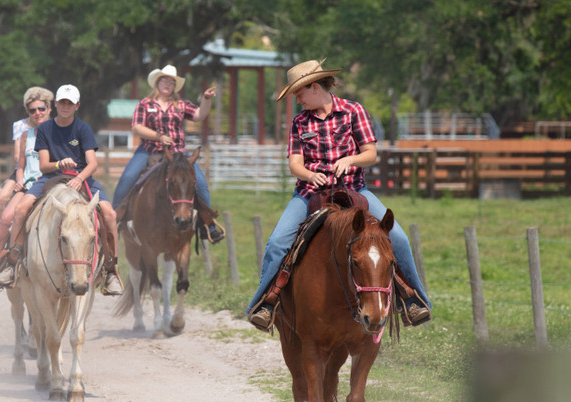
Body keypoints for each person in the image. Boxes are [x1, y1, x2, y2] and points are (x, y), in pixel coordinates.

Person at [246, 59, 432, 331]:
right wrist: (309, 175)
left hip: (355, 189)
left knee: (399, 239)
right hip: (309, 193)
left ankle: (412, 300)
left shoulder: (353, 111)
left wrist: (351, 160)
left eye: (298, 93)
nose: (297, 100)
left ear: (313, 87)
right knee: (276, 243)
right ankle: (265, 302)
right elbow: (294, 164)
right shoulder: (300, 122)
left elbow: (370, 153)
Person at [0, 84, 123, 295]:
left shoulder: (83, 129)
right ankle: (13, 261)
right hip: (52, 176)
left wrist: (80, 178)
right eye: (62, 102)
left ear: (77, 106)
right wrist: (59, 165)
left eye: (69, 103)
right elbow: (44, 165)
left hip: (82, 177)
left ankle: (111, 270)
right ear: (56, 104)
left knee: (109, 213)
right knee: (21, 208)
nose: (65, 106)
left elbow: (92, 164)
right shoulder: (44, 129)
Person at [112, 64, 225, 243]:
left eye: (171, 82)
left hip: (178, 153)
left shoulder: (180, 105)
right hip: (149, 151)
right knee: (128, 177)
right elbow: (137, 128)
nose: (167, 84)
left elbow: (199, 115)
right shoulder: (145, 104)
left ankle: (207, 225)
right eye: (164, 80)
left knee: (201, 183)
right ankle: (113, 219)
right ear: (157, 83)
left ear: (174, 86)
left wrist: (205, 99)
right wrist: (159, 137)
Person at [0, 87, 53, 288]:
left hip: (48, 179)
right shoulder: (25, 133)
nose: (37, 113)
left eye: (41, 108)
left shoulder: (59, 131)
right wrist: (21, 178)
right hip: (27, 179)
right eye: (32, 110)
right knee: (5, 211)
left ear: (49, 108)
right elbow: (19, 162)